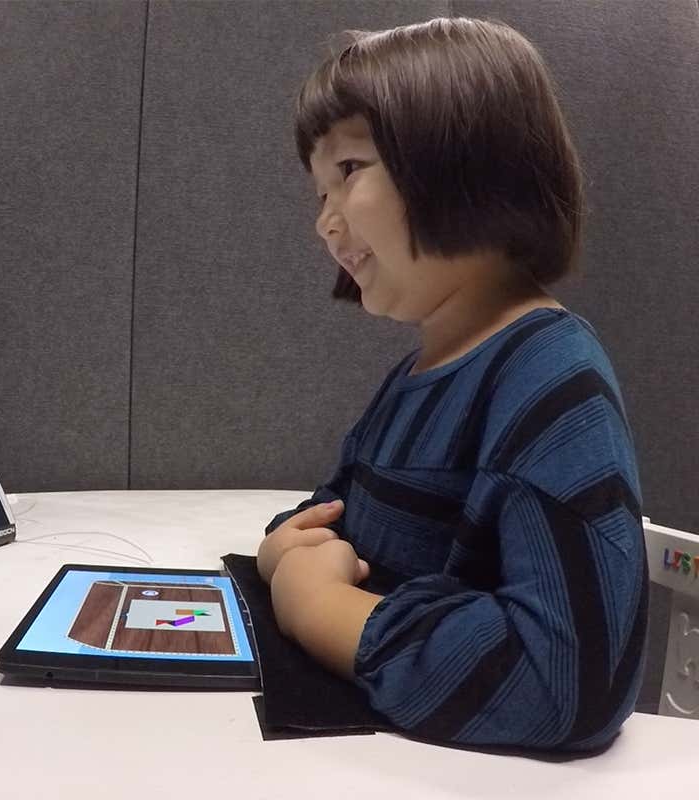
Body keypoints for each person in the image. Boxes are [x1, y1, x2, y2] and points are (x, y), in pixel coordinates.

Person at [258, 17, 647, 751]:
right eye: (318, 193)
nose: (325, 224)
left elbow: (567, 684)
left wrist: (318, 608)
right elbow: (335, 513)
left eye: (348, 171)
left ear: (466, 159)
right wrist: (285, 546)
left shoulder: (550, 380)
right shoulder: (412, 377)